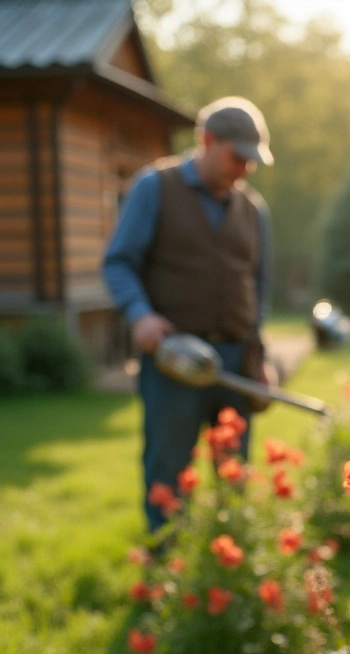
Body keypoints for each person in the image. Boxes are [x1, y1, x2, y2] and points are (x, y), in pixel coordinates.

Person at [102, 96, 273, 534]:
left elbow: (259, 288)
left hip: (236, 360)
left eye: (252, 161)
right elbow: (119, 262)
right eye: (238, 157)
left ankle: (227, 569)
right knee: (168, 470)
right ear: (207, 141)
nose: (245, 169)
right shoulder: (153, 188)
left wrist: (260, 356)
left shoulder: (254, 211)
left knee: (234, 472)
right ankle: (166, 572)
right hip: (173, 360)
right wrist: (140, 315)